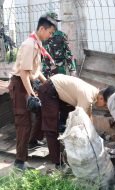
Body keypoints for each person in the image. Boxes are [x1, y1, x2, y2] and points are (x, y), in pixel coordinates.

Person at [8, 14, 57, 170]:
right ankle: (19, 162)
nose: (50, 36)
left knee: (35, 115)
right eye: (49, 32)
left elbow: (35, 71)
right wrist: (30, 94)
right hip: (20, 84)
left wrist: (49, 83)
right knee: (23, 123)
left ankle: (30, 145)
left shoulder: (36, 43)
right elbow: (23, 73)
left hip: (28, 83)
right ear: (42, 28)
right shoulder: (30, 44)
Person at [38, 74, 103, 169]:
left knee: (69, 116)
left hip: (58, 88)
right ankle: (58, 163)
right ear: (101, 98)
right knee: (51, 127)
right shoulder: (88, 96)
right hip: (50, 89)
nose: (104, 107)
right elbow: (79, 119)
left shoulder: (94, 93)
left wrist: (92, 134)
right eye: (105, 104)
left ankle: (63, 137)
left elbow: (89, 114)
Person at [41, 12, 77, 133]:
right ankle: (51, 124)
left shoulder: (61, 36)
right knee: (49, 97)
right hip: (46, 72)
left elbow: (69, 55)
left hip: (60, 71)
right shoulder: (42, 37)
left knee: (63, 97)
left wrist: (73, 70)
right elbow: (41, 57)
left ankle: (62, 122)